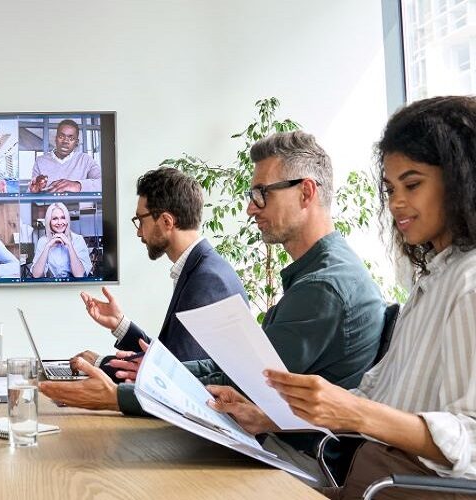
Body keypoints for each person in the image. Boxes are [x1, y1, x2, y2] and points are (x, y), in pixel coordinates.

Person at [210, 95, 476, 498]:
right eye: (390, 189)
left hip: (403, 487)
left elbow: (470, 439)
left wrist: (355, 412)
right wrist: (272, 418)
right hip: (371, 477)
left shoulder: (468, 284)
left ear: (460, 180)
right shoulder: (432, 280)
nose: (396, 203)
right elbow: (372, 397)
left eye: (413, 184)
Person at [42, 132, 385, 423]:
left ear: (306, 192)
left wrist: (117, 395)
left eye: (261, 194)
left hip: (291, 462)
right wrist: (132, 361)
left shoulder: (322, 286)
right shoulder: (318, 275)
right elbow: (224, 368)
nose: (251, 208)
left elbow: (245, 382)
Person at [39, 167, 246, 411]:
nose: (138, 231)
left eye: (141, 220)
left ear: (167, 221)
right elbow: (171, 361)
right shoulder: (201, 268)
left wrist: (102, 364)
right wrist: (120, 324)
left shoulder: (207, 279)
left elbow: (176, 379)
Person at [28, 119, 102, 193]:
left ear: (76, 142)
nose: (65, 141)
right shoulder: (40, 161)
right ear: (55, 139)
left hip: (79, 205)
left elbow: (104, 183)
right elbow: (31, 190)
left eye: (71, 138)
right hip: (49, 205)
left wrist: (78, 185)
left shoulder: (86, 160)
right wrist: (35, 191)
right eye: (61, 136)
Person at [30, 202, 93, 278]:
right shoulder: (43, 241)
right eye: (55, 218)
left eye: (63, 217)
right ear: (49, 222)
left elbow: (79, 275)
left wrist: (69, 245)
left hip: (75, 287)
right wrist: (48, 246)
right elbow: (36, 275)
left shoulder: (77, 239)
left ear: (67, 220)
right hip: (52, 287)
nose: (60, 222)